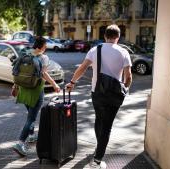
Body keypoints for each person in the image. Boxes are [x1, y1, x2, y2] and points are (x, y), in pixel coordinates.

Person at [66, 24, 132, 169]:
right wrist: (125, 90)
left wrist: (72, 82)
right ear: (118, 37)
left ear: (104, 36)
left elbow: (82, 68)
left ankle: (98, 149)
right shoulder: (123, 52)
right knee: (106, 127)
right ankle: (97, 160)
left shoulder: (96, 49)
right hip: (115, 95)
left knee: (99, 120)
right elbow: (129, 77)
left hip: (97, 93)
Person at [12, 36, 61, 156]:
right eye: (45, 46)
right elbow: (44, 74)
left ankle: (32, 136)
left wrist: (15, 86)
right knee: (31, 118)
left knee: (30, 114)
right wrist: (54, 84)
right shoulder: (43, 57)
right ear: (42, 47)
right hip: (36, 90)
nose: (46, 49)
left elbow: (18, 71)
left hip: (23, 89)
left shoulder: (25, 53)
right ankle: (20, 143)